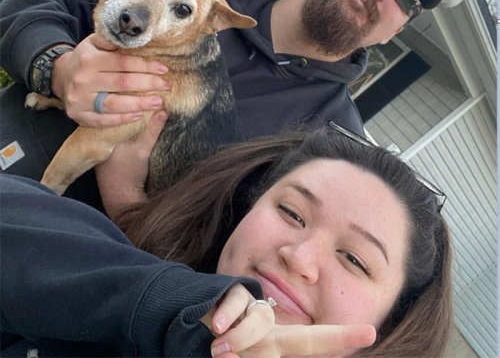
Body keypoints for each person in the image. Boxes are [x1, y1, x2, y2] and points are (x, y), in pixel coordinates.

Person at [0, 0, 449, 206]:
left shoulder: (333, 144)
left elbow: (223, 259)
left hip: (63, 271)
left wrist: (125, 197)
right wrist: (56, 67)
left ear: (395, 32)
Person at [0, 121, 452, 357]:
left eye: (354, 259)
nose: (299, 257)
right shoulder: (114, 283)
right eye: (292, 213)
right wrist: (170, 312)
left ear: (393, 324)